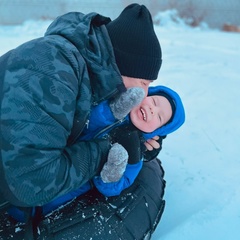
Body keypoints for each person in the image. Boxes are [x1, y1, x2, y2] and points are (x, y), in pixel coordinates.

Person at [0, 3, 162, 209]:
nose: (145, 94)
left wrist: (136, 141)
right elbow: (33, 185)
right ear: (125, 65)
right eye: (144, 83)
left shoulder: (79, 67)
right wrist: (108, 149)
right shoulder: (55, 72)